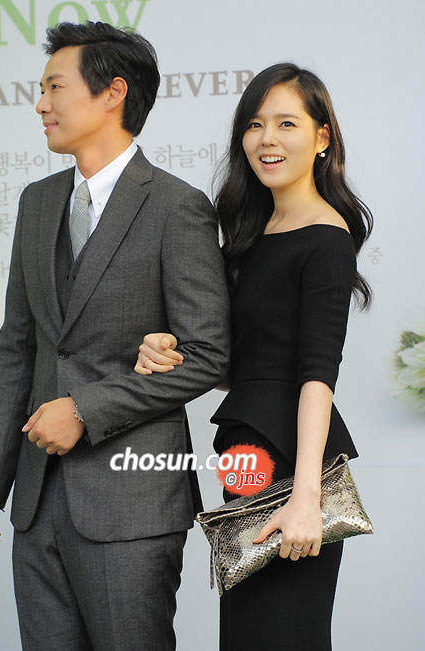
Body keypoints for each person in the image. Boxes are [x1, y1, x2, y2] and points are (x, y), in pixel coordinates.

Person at [0, 21, 230, 651]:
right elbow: (17, 351)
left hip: (131, 503)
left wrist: (85, 408)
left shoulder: (176, 206)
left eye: (54, 87)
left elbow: (208, 355)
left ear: (113, 92)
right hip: (35, 503)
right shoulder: (36, 203)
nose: (41, 104)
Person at [134, 63, 372, 650]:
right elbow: (246, 366)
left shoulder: (327, 236)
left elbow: (316, 376)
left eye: (287, 124)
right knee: (245, 637)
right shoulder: (248, 234)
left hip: (294, 469)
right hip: (248, 457)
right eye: (255, 124)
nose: (268, 139)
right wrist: (170, 349)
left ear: (322, 137)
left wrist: (305, 497)